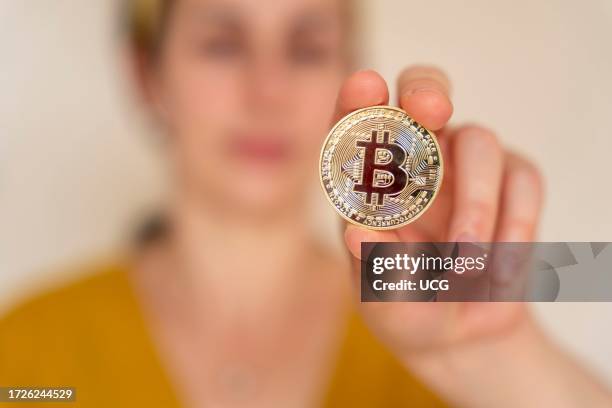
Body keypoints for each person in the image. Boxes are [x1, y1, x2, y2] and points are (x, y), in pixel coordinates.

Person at [1, 0, 610, 406]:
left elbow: (591, 274)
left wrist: (497, 352)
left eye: (307, 49)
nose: (268, 90)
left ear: (345, 76)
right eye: (222, 45)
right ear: (147, 74)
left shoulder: (429, 315)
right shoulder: (23, 355)